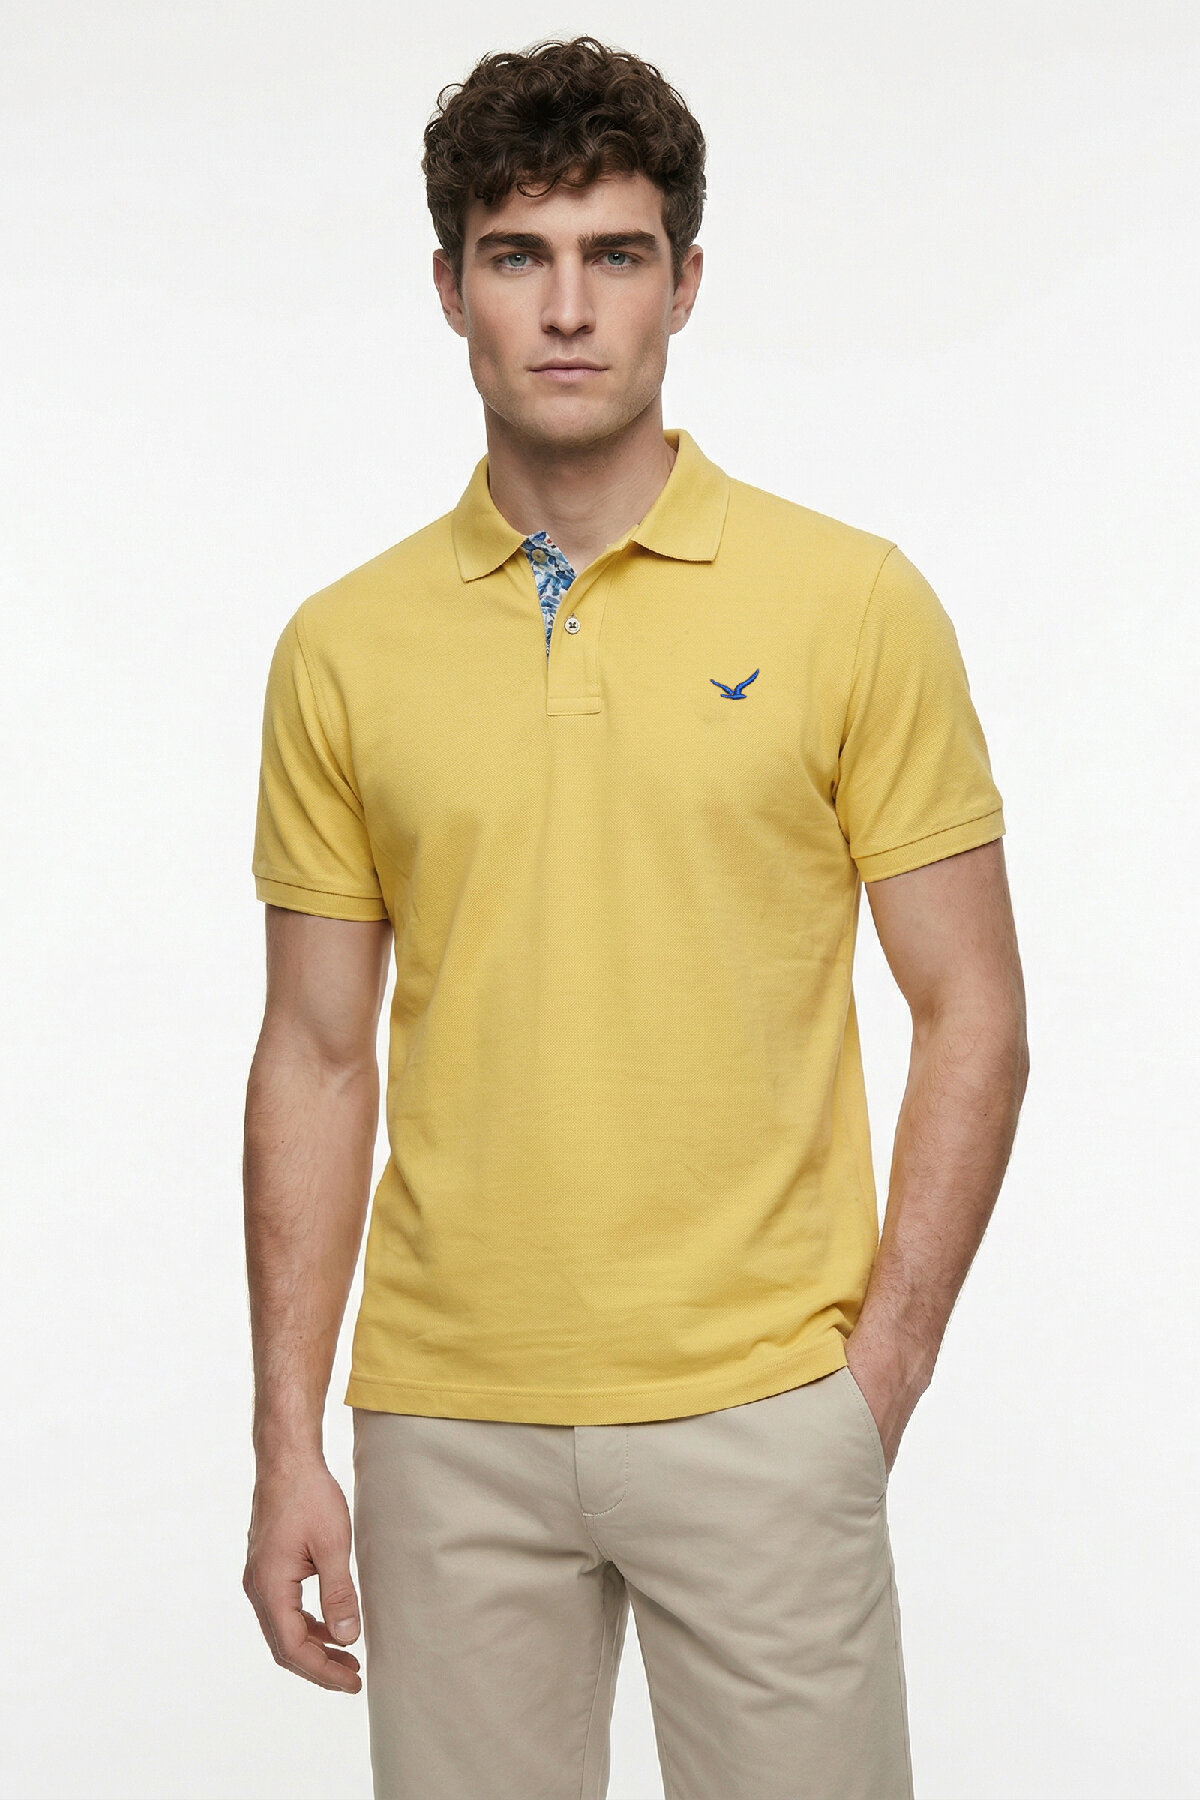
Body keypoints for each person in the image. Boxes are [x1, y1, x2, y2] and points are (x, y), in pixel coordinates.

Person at [241, 33, 1029, 1800]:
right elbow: (312, 1052)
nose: (568, 307)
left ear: (686, 280)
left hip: (766, 1407)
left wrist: (875, 1384)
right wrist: (290, 1437)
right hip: (447, 1420)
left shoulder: (851, 603)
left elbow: (973, 1006)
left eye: (615, 252)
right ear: (448, 288)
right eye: (517, 255)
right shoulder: (343, 648)